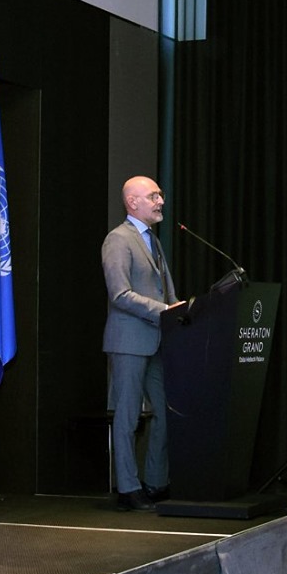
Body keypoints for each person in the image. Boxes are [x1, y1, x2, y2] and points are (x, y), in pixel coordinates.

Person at [102, 175, 181, 511]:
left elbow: (166, 291)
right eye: (153, 196)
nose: (161, 201)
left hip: (158, 340)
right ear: (132, 202)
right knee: (128, 416)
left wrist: (179, 311)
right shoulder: (118, 240)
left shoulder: (153, 240)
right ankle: (128, 488)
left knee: (165, 412)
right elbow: (120, 294)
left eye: (160, 195)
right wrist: (164, 311)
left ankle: (155, 482)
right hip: (129, 341)